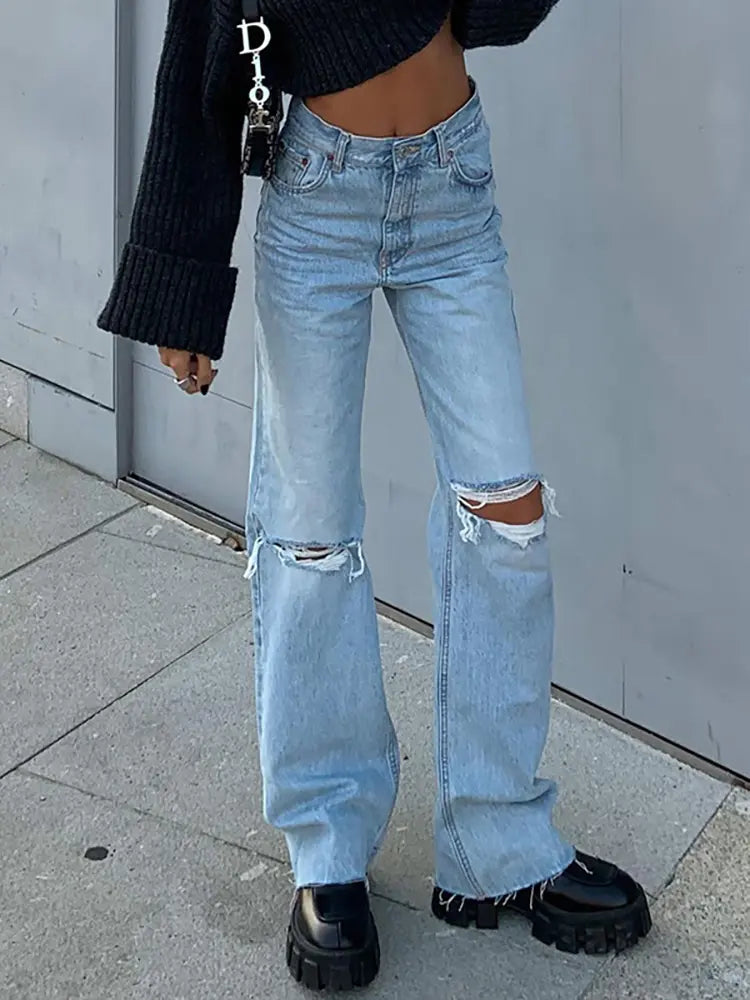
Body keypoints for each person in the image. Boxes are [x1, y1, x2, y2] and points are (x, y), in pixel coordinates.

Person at [98, 0, 652, 991]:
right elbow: (196, 68)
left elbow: (498, 12)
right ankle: (328, 848)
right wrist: (181, 286)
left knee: (508, 516)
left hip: (452, 187)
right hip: (319, 199)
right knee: (308, 539)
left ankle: (498, 841)